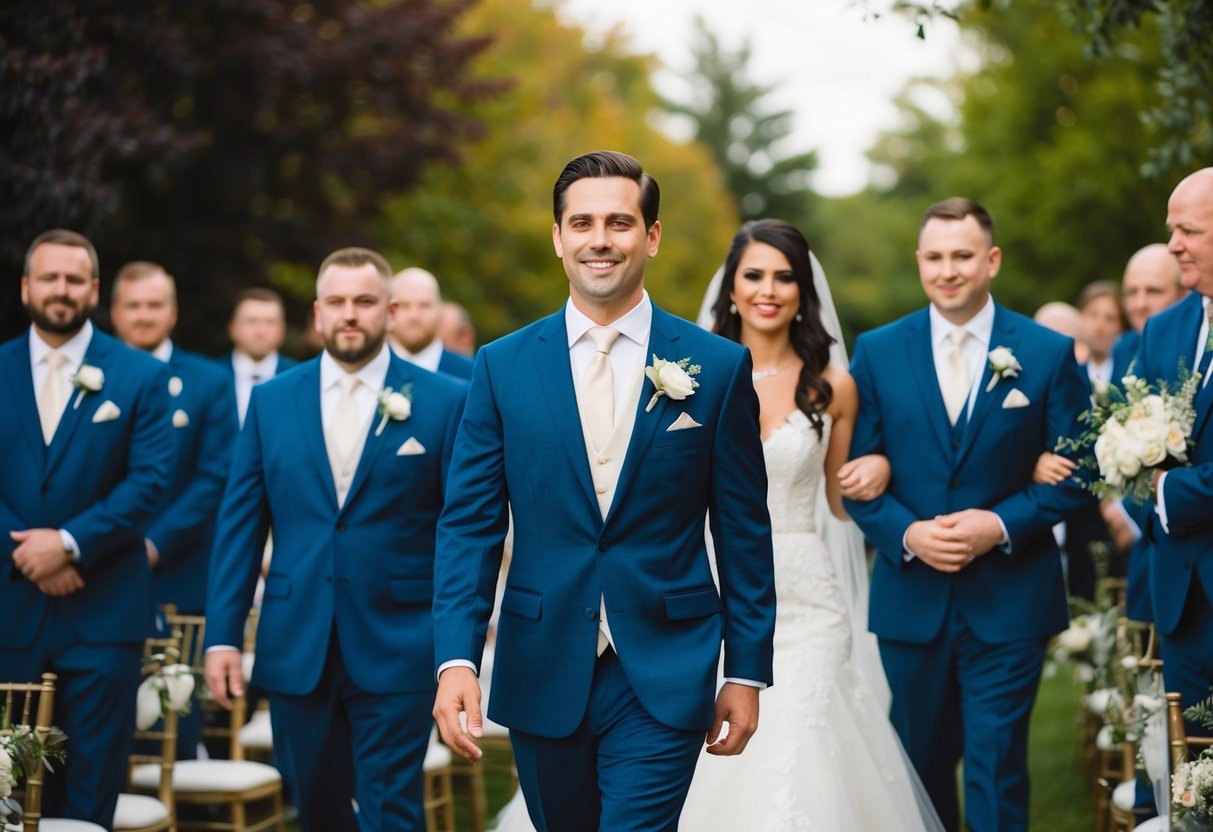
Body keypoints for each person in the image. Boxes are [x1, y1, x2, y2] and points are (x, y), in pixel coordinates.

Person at [432, 150, 776, 831]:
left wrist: (745, 670)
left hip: (666, 666)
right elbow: (469, 526)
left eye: (619, 223)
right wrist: (456, 658)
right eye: (581, 223)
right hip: (541, 661)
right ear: (557, 238)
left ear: (651, 236)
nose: (600, 240)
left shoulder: (716, 366)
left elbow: (742, 530)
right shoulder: (500, 367)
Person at [845, 198, 1091, 831]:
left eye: (962, 255)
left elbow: (1082, 473)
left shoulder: (1047, 352)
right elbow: (854, 480)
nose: (947, 270)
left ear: (992, 260)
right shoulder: (877, 351)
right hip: (912, 602)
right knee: (918, 767)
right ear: (919, 262)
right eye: (934, 257)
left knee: (997, 766)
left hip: (1011, 600)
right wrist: (908, 533)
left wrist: (999, 524)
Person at [203, 247, 468, 831]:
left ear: (390, 312)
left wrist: (455, 647)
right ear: (317, 312)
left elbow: (460, 530)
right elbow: (240, 526)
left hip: (399, 640)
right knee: (315, 810)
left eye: (365, 301)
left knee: (391, 810)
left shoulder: (446, 400)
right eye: (337, 302)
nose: (350, 314)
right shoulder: (272, 401)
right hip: (296, 641)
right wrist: (222, 635)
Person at [0, 229, 173, 825]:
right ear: (26, 287)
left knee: (91, 787)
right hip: (10, 608)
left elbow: (151, 481)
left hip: (104, 611)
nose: (62, 289)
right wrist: (29, 554)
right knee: (6, 787)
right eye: (49, 277)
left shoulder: (141, 375)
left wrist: (70, 545)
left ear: (94, 291)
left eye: (75, 279)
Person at [109, 261, 237, 616]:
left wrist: (156, 543)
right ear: (115, 313)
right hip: (94, 567)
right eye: (134, 305)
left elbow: (215, 475)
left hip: (181, 568)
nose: (144, 316)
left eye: (155, 305)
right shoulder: (86, 377)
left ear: (173, 313)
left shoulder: (211, 381)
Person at [1135, 167, 1213, 725]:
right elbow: (1123, 442)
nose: (1173, 245)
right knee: (1190, 767)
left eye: (1188, 231)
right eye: (1171, 230)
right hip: (1180, 601)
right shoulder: (1162, 331)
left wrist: (1170, 493)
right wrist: (1149, 498)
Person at [1109, 244, 1187, 622]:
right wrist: (1109, 502)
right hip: (1134, 537)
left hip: (1179, 519)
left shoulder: (1192, 351)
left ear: (1184, 291)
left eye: (1153, 291)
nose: (1139, 304)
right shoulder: (1124, 347)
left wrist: (1128, 513)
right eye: (1131, 292)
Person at [219, 287, 298, 427]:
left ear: (282, 330)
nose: (261, 331)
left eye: (270, 322)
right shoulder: (211, 377)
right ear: (232, 328)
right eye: (251, 321)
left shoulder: (299, 377)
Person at [388, 267, 473, 379]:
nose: (414, 316)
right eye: (404, 306)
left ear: (441, 311)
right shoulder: (369, 371)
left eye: (424, 306)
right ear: (389, 311)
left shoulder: (472, 374)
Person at [1077, 280, 1127, 387]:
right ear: (1080, 316)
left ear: (1121, 326)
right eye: (1093, 315)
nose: (1100, 327)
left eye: (1110, 318)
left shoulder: (1130, 371)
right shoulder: (1070, 367)